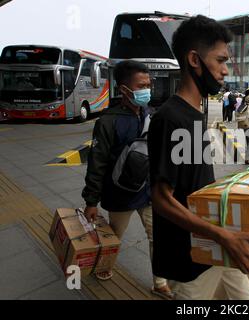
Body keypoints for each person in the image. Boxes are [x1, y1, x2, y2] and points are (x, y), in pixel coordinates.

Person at [148, 15, 249, 300]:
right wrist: (222, 236)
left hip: (219, 245)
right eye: (220, 60)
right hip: (190, 259)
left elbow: (193, 181)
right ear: (195, 60)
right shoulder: (170, 118)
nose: (225, 70)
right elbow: (161, 198)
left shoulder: (195, 113)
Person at [81, 60, 173, 299]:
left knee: (157, 236)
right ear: (124, 89)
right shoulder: (108, 121)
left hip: (149, 191)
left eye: (149, 84)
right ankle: (104, 265)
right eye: (141, 86)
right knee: (114, 236)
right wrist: (91, 201)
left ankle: (160, 282)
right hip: (120, 191)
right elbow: (97, 161)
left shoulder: (150, 115)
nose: (147, 90)